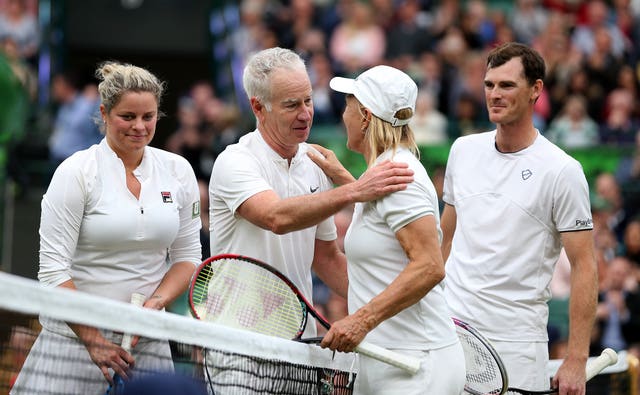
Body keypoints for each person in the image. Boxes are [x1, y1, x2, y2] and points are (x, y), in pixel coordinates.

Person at [11, 61, 202, 394]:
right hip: (72, 345)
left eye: (149, 117)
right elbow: (53, 272)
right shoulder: (75, 173)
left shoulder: (179, 170)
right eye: (127, 117)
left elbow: (187, 257)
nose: (139, 127)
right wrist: (94, 340)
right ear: (104, 112)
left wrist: (155, 303)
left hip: (147, 343)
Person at [208, 47, 414, 336]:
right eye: (292, 105)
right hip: (239, 342)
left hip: (300, 339)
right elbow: (275, 217)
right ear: (258, 107)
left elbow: (327, 258)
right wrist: (354, 189)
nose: (306, 114)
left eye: (308, 100)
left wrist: (385, 311)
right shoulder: (235, 161)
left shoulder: (317, 163)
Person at [440, 42, 598, 394]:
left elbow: (585, 265)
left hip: (517, 346)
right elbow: (444, 241)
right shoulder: (462, 151)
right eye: (489, 85)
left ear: (536, 90)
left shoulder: (562, 171)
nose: (494, 94)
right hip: (450, 335)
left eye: (507, 85)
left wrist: (576, 359)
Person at [310, 65, 465, 394]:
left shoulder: (399, 174)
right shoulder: (387, 170)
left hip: (416, 366)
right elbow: (384, 230)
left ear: (365, 116)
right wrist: (347, 181)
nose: (343, 116)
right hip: (395, 361)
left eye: (348, 106)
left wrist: (360, 320)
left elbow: (429, 266)